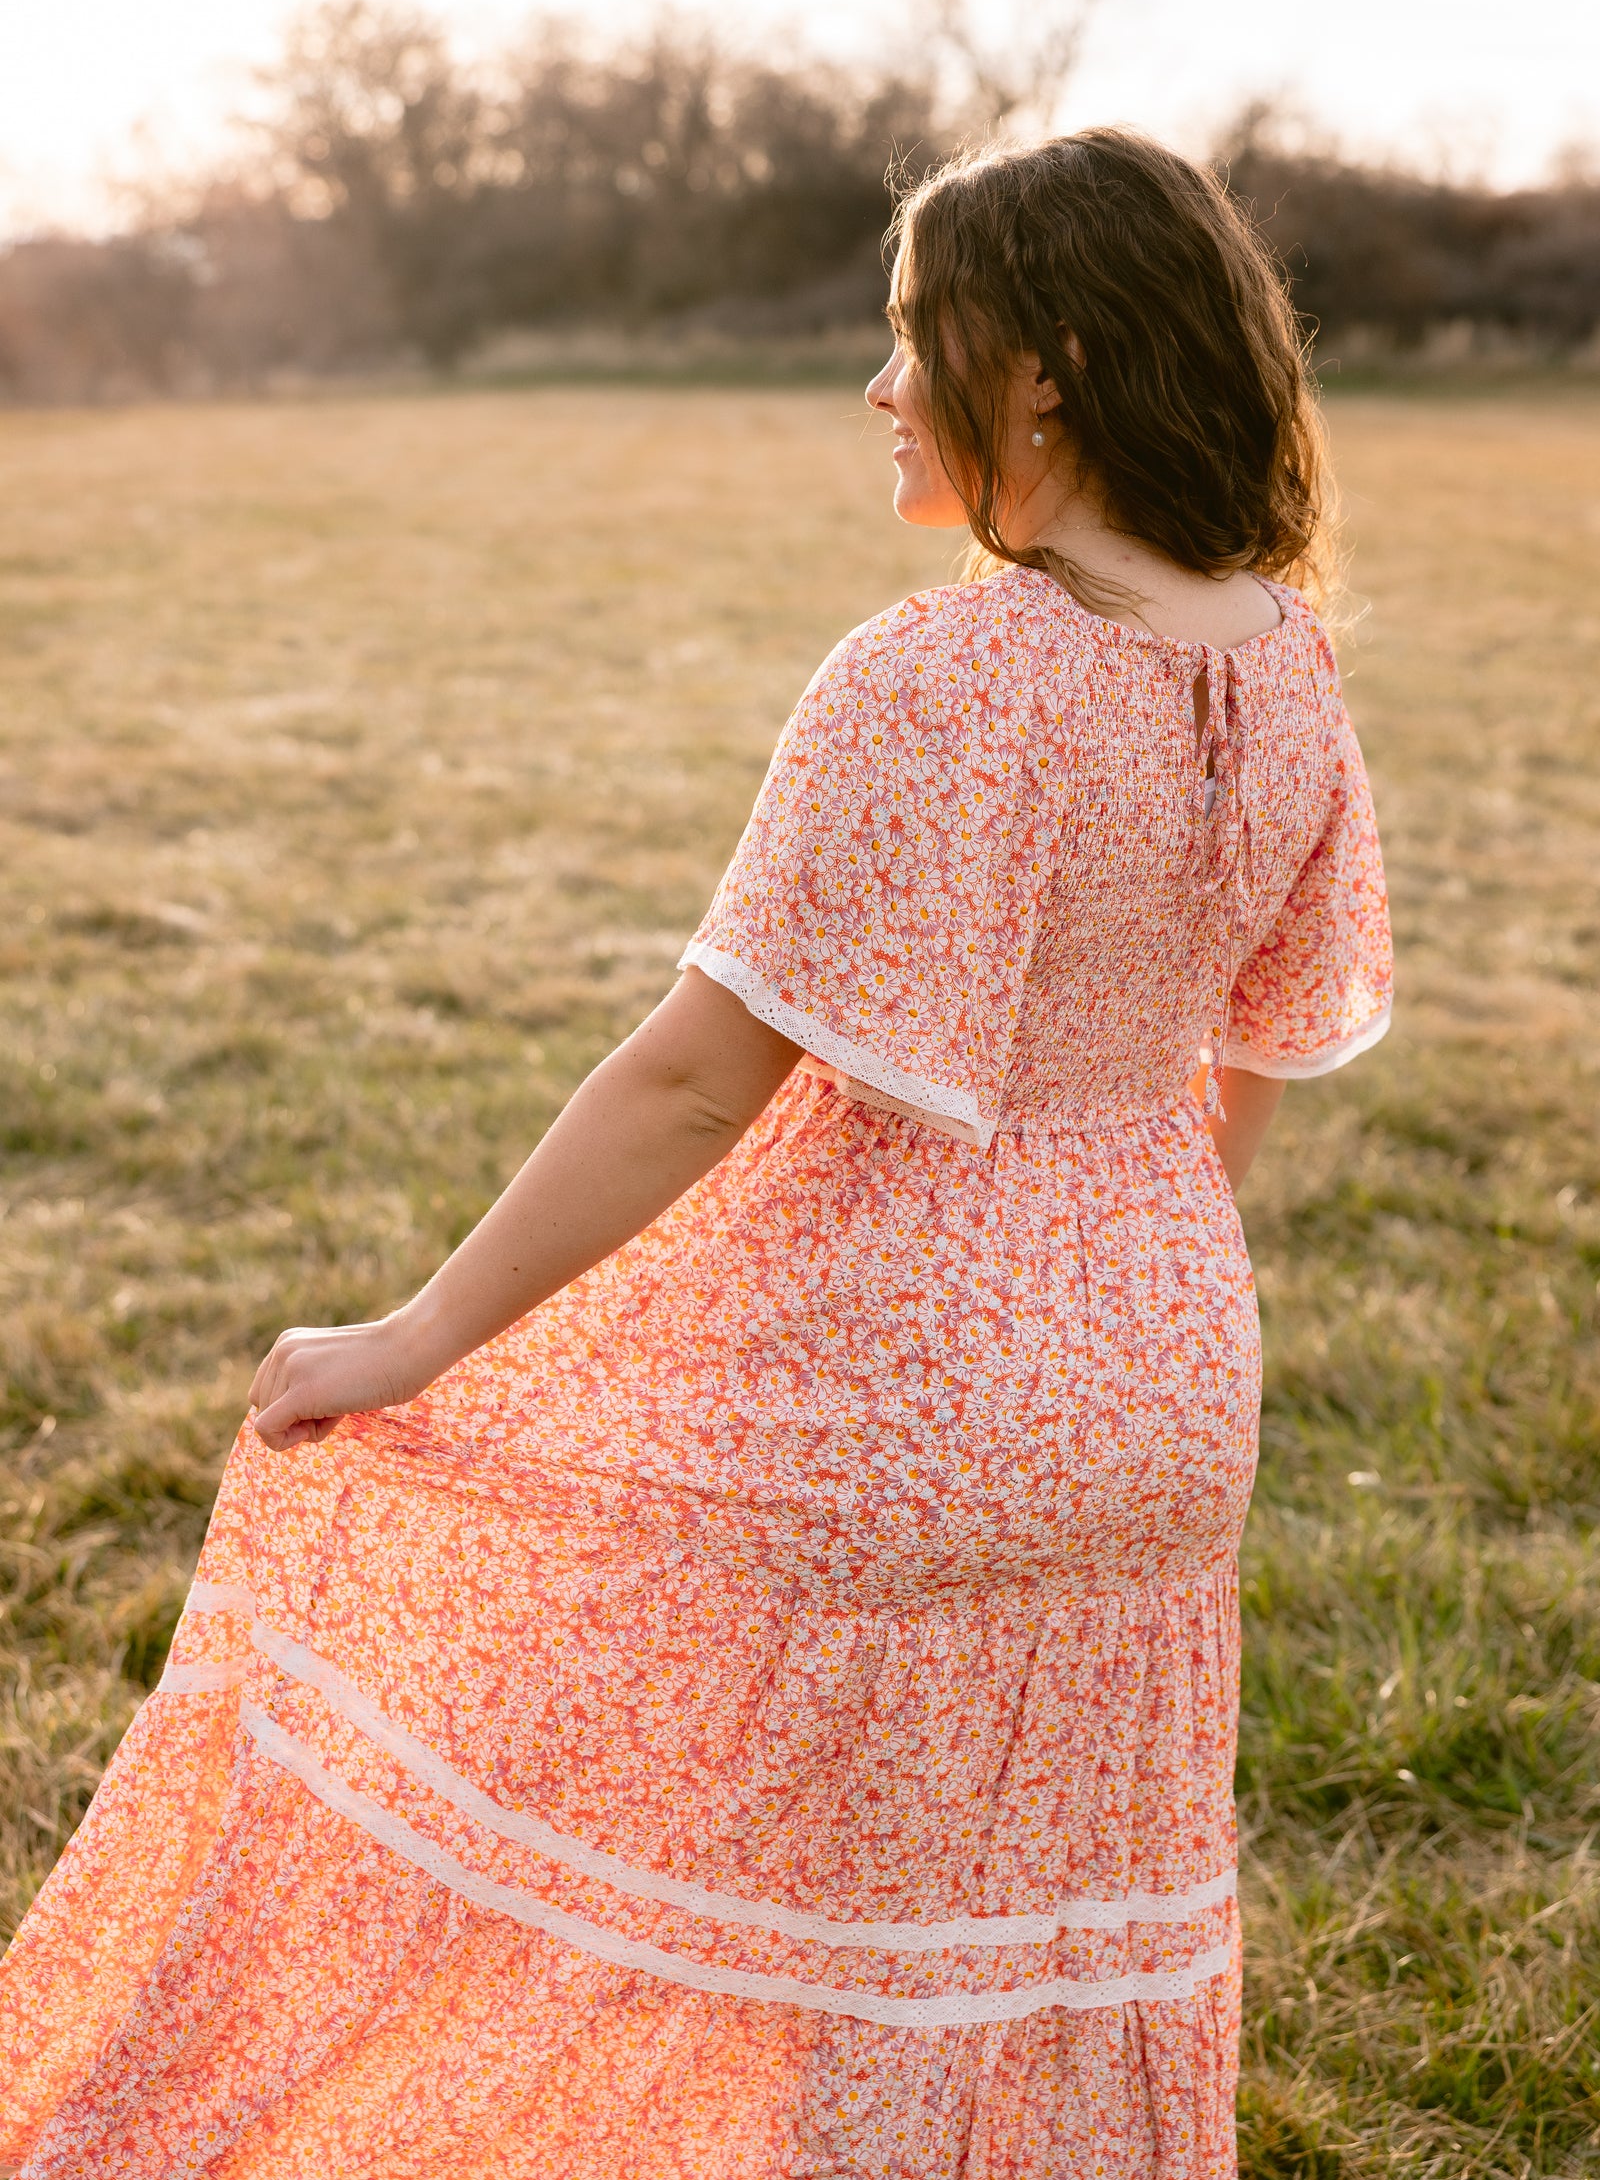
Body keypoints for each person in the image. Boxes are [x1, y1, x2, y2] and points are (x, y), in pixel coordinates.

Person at [0, 131, 1391, 2180]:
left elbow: (691, 1082)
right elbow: (1249, 1054)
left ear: (1045, 372)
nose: (876, 383)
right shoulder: (1282, 666)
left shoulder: (936, 673)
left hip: (910, 1381)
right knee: (1029, 1925)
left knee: (748, 1869)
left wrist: (416, 1336)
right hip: (1163, 1373)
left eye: (912, 334)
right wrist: (1116, 1292)